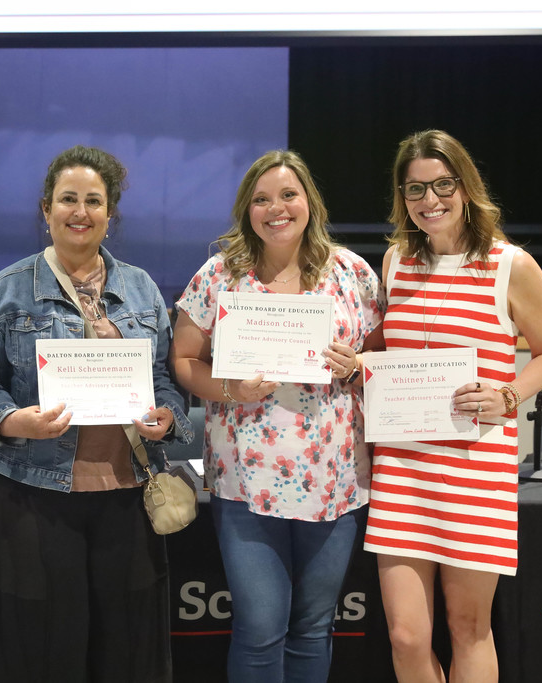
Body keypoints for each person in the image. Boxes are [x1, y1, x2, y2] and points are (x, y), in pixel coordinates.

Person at [0, 145, 192, 682]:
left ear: (110, 214)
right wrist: (14, 422)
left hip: (129, 495)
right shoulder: (6, 290)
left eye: (93, 201)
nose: (80, 212)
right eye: (68, 200)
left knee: (127, 652)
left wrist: (169, 416)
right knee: (38, 651)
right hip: (34, 495)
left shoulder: (142, 290)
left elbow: (163, 378)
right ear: (46, 210)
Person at [172, 150, 384, 682]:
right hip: (246, 481)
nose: (276, 208)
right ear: (248, 210)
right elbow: (182, 361)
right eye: (262, 199)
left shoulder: (352, 273)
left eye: (288, 195)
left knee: (314, 626)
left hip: (336, 480)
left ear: (308, 201)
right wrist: (231, 388)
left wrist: (356, 365)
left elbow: (382, 360)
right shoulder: (220, 275)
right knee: (261, 627)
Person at [363, 129, 542, 682]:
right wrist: (355, 360)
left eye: (442, 185)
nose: (430, 201)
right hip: (403, 464)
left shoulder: (509, 265)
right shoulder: (395, 263)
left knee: (468, 625)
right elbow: (388, 349)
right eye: (414, 190)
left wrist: (507, 394)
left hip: (476, 465)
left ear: (465, 186)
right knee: (405, 635)